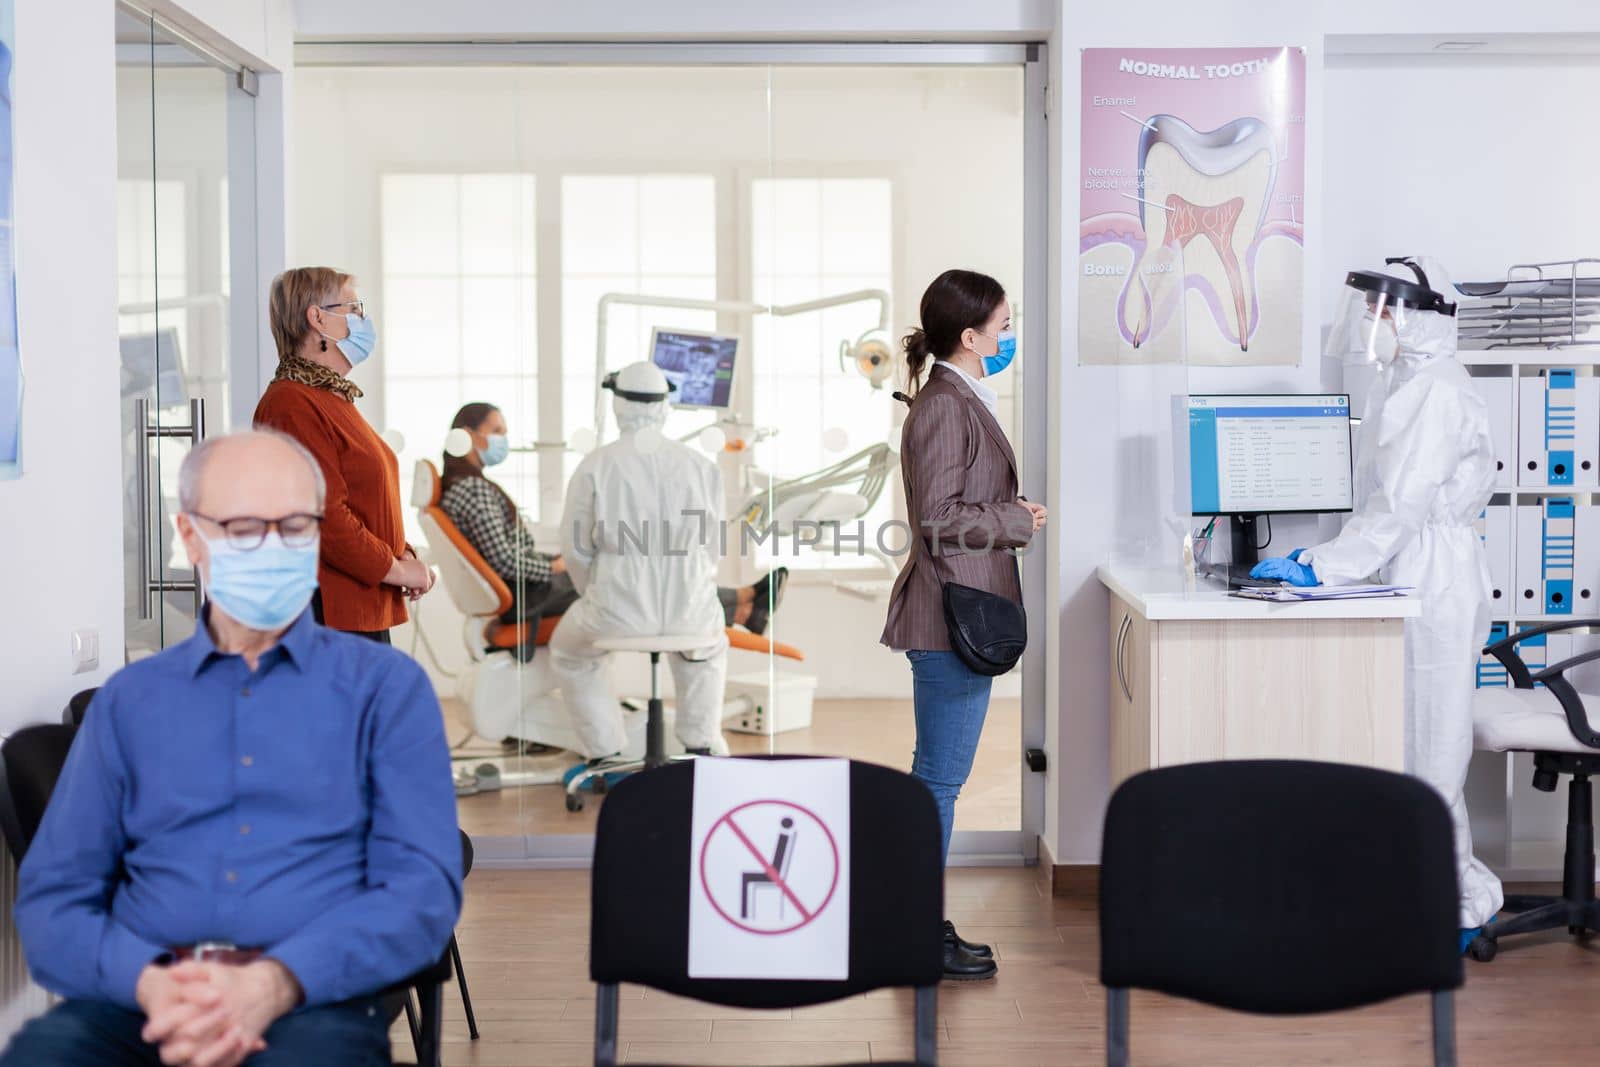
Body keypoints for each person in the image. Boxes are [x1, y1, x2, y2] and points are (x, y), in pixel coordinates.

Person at [0, 430, 462, 1067]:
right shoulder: (130, 704)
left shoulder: (386, 693)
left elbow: (423, 892)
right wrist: (148, 983)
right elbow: (53, 899)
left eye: (296, 526)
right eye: (244, 528)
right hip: (142, 1004)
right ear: (190, 536)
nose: (274, 547)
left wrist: (273, 983)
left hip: (310, 1002)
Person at [1252, 256, 1501, 952]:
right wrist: (1324, 561)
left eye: (1383, 310)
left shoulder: (1437, 392)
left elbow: (1399, 509)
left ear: (1418, 316)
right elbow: (1382, 507)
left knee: (1431, 747)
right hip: (1410, 570)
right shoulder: (1409, 382)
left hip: (1433, 577)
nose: (1372, 322)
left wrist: (1322, 565)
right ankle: (1426, 891)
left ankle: (1456, 904)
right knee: (1403, 742)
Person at [881, 269, 1047, 981]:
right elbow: (941, 522)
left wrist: (1011, 513)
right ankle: (916, 931)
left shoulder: (961, 396)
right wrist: (1016, 520)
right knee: (938, 783)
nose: (1009, 337)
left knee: (935, 779)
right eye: (1003, 327)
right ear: (970, 335)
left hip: (960, 609)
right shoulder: (947, 404)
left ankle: (917, 922)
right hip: (949, 614)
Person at [438, 401, 787, 657]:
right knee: (634, 582)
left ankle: (744, 601)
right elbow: (504, 561)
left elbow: (503, 555)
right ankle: (742, 603)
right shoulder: (473, 489)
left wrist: (556, 562)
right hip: (530, 595)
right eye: (496, 431)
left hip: (528, 589)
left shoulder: (464, 486)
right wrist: (553, 566)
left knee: (637, 577)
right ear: (467, 435)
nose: (503, 440)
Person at [550, 363, 731, 763]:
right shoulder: (701, 466)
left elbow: (575, 548)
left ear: (618, 405)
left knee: (569, 653)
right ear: (664, 406)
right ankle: (700, 747)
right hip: (690, 611)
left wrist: (594, 592)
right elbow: (713, 547)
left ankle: (606, 753)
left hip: (616, 611)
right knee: (707, 648)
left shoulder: (596, 465)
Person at [254, 267, 433, 644]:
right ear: (317, 318)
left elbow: (364, 499)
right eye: (354, 308)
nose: (363, 321)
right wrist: (397, 571)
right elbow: (325, 516)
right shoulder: (291, 403)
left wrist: (404, 554)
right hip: (324, 614)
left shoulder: (330, 397)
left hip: (355, 607)